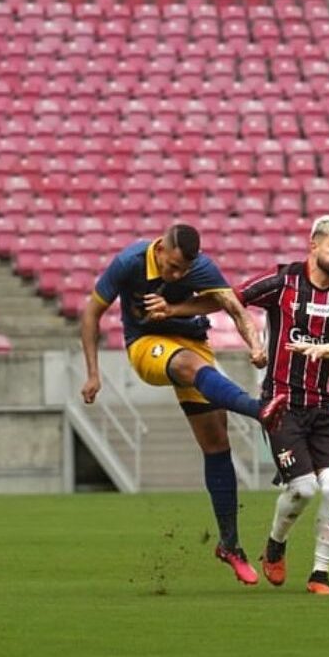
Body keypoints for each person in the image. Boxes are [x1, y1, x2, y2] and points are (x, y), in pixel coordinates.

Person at [145, 215, 329, 596]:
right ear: (313, 245)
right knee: (303, 490)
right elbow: (230, 299)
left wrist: (323, 349)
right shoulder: (283, 282)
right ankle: (275, 545)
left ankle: (320, 574)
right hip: (282, 405)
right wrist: (175, 310)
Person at [80, 222, 287, 586]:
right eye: (171, 266)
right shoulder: (129, 261)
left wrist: (255, 346)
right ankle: (258, 411)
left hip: (190, 342)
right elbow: (91, 314)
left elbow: (234, 307)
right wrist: (93, 373)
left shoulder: (200, 267)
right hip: (147, 346)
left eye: (182, 270)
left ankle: (230, 546)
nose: (175, 274)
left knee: (216, 444)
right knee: (192, 366)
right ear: (160, 248)